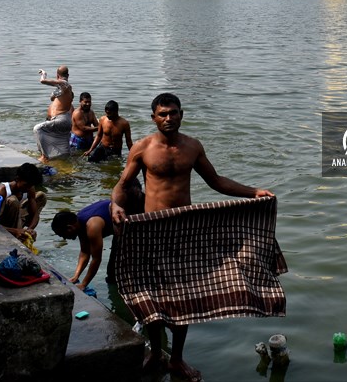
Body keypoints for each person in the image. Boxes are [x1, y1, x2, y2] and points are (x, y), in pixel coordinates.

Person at [111, 92, 274, 381]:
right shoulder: (142, 148)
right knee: (151, 293)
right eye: (162, 114)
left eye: (173, 112)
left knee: (182, 296)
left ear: (181, 114)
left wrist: (254, 192)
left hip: (184, 230)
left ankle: (176, 359)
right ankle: (157, 352)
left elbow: (216, 181)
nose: (168, 118)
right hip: (151, 228)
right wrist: (115, 205)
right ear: (153, 118)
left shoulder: (192, 147)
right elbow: (123, 185)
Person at [50, 178, 143, 292]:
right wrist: (76, 276)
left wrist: (84, 284)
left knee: (127, 271)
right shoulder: (79, 222)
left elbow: (96, 259)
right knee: (113, 275)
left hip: (131, 223)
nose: (65, 238)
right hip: (118, 229)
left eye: (63, 234)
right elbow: (85, 252)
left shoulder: (92, 225)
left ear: (70, 228)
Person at [0, 162, 46, 242]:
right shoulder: (0, 192)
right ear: (18, 179)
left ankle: (21, 232)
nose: (28, 188)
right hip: (3, 223)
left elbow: (35, 214)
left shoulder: (29, 188)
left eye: (30, 186)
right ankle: (16, 234)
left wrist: (30, 230)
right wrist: (15, 231)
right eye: (26, 185)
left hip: (18, 218)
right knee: (13, 201)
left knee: (41, 196)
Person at [34, 69, 75, 161]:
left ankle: (44, 156)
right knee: (63, 146)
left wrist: (44, 74)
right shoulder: (63, 88)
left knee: (37, 129)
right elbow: (52, 98)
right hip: (63, 120)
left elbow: (43, 81)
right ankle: (65, 156)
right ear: (68, 75)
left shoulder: (64, 83)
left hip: (62, 119)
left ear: (57, 76)